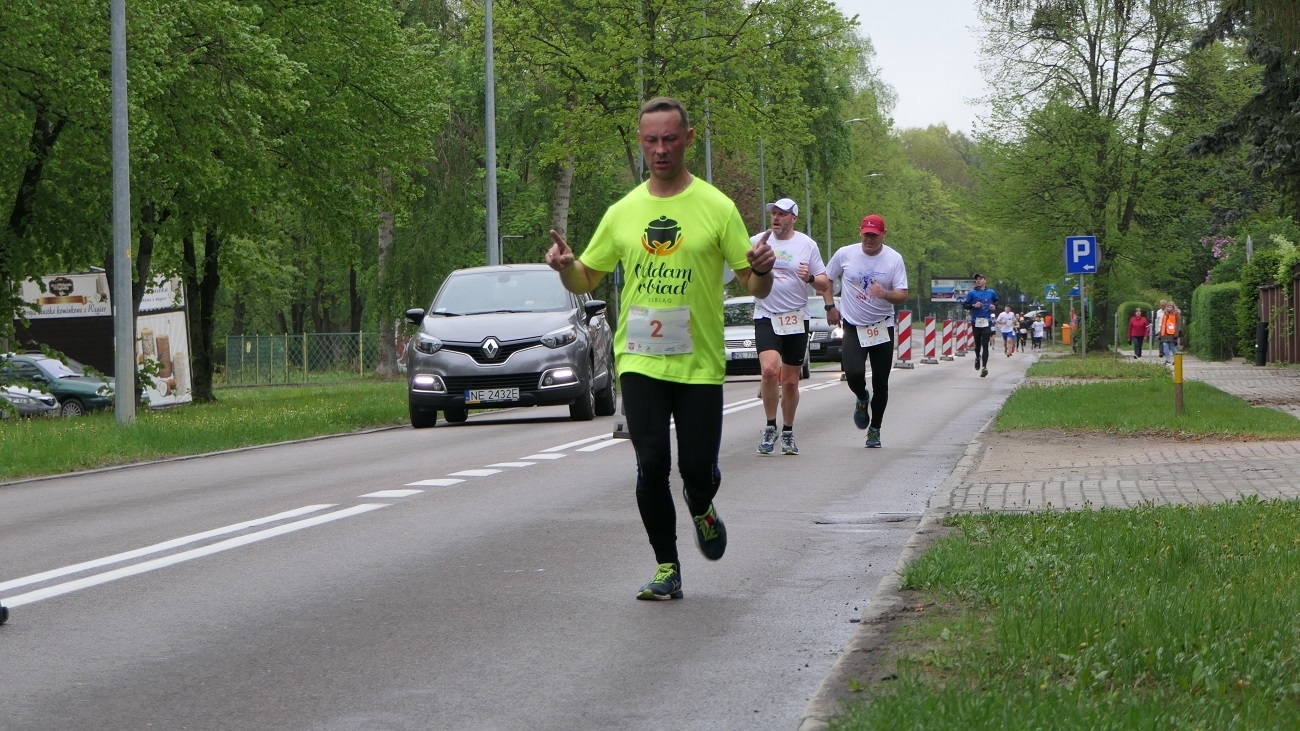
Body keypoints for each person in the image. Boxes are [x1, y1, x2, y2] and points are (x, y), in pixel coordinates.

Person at [545, 96, 775, 601]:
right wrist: (566, 268)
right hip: (640, 359)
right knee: (651, 463)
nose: (660, 149)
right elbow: (587, 277)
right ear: (641, 142)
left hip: (698, 363)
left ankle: (702, 504)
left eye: (670, 139)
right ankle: (667, 566)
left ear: (688, 139)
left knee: (696, 472)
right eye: (651, 140)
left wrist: (762, 270)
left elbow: (753, 286)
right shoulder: (623, 212)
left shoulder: (717, 207)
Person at [822, 213, 908, 448]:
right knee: (853, 373)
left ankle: (875, 429)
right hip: (853, 327)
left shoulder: (893, 259)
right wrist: (830, 306)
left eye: (874, 235)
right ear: (860, 233)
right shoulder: (845, 254)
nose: (869, 240)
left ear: (883, 235)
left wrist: (885, 293)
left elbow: (903, 294)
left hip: (882, 326)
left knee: (881, 382)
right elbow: (825, 280)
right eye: (866, 235)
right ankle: (861, 397)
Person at [752, 198, 829, 456]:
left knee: (791, 382)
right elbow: (742, 271)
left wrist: (810, 277)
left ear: (794, 218)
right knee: (769, 370)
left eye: (782, 214)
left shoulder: (807, 244)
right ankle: (770, 426)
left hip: (796, 317)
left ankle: (787, 431)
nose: (776, 218)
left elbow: (824, 283)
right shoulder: (758, 241)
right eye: (773, 213)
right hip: (766, 314)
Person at [961, 274, 997, 377]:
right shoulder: (972, 293)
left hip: (987, 320)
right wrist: (973, 305)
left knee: (985, 344)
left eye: (980, 279)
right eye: (977, 279)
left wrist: (994, 306)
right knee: (977, 344)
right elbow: (965, 305)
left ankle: (984, 367)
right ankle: (977, 357)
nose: (978, 281)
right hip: (976, 321)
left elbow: (996, 301)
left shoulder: (991, 292)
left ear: (985, 280)